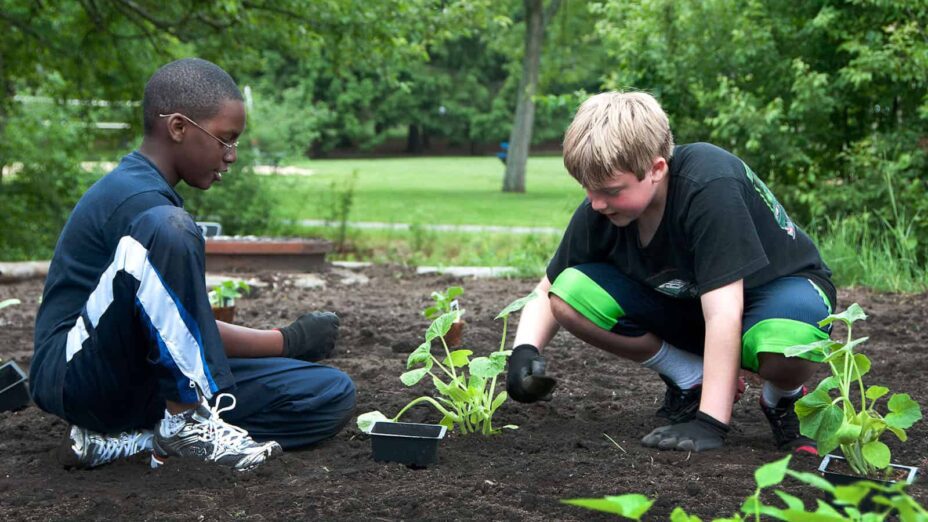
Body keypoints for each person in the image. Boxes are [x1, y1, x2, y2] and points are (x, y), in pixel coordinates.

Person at [30, 58, 356, 472]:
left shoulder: (152, 199)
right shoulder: (144, 208)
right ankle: (185, 420)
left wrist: (288, 344)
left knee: (327, 392)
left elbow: (179, 327)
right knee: (172, 227)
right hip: (77, 375)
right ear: (179, 128)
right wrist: (286, 341)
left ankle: (137, 441)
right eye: (225, 139)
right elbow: (184, 327)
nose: (232, 156)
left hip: (137, 373)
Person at [505, 91, 835, 454]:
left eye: (611, 190)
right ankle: (690, 378)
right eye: (588, 189)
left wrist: (710, 424)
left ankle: (782, 398)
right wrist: (524, 349)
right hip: (691, 302)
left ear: (657, 169)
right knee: (568, 293)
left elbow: (724, 311)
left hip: (776, 293)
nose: (596, 203)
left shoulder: (709, 185)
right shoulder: (601, 209)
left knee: (788, 341)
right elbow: (546, 289)